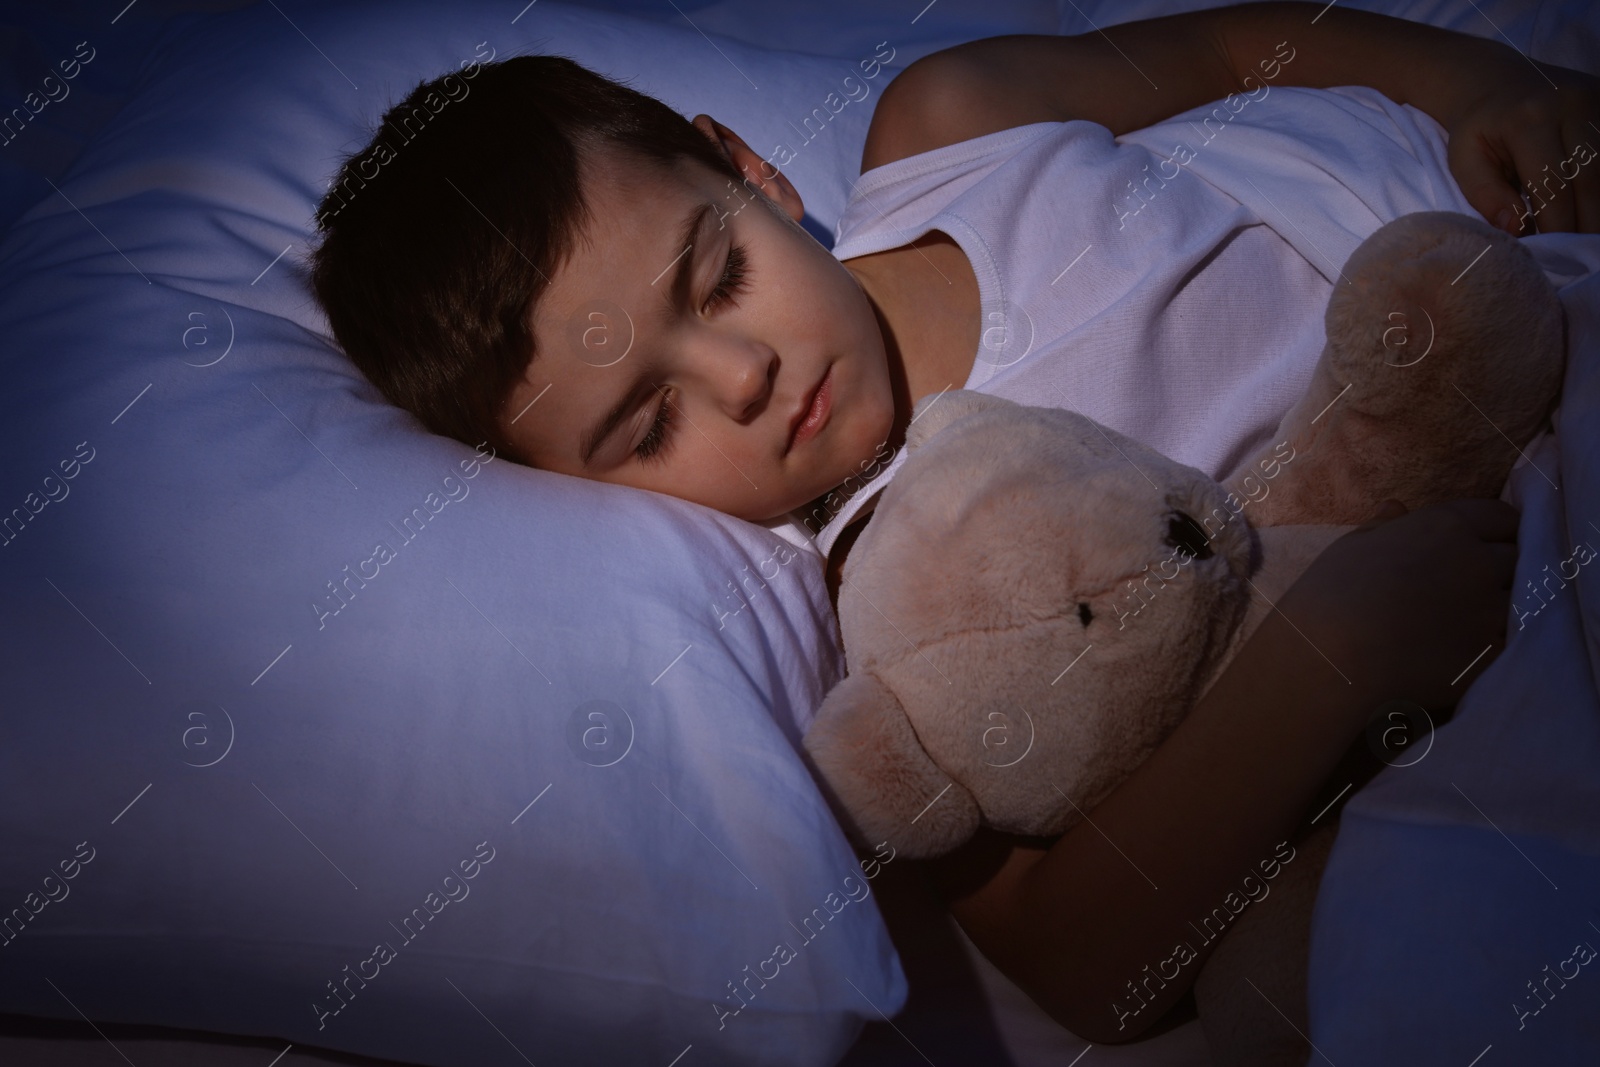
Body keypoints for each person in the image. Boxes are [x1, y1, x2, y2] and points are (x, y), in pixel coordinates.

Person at [308, 2, 1597, 1043]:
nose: (742, 375)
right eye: (648, 426)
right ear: (583, 495)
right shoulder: (879, 607)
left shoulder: (952, 133)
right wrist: (1332, 664)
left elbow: (1224, 48)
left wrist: (1476, 76)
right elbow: (1082, 963)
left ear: (749, 168)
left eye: (721, 277)